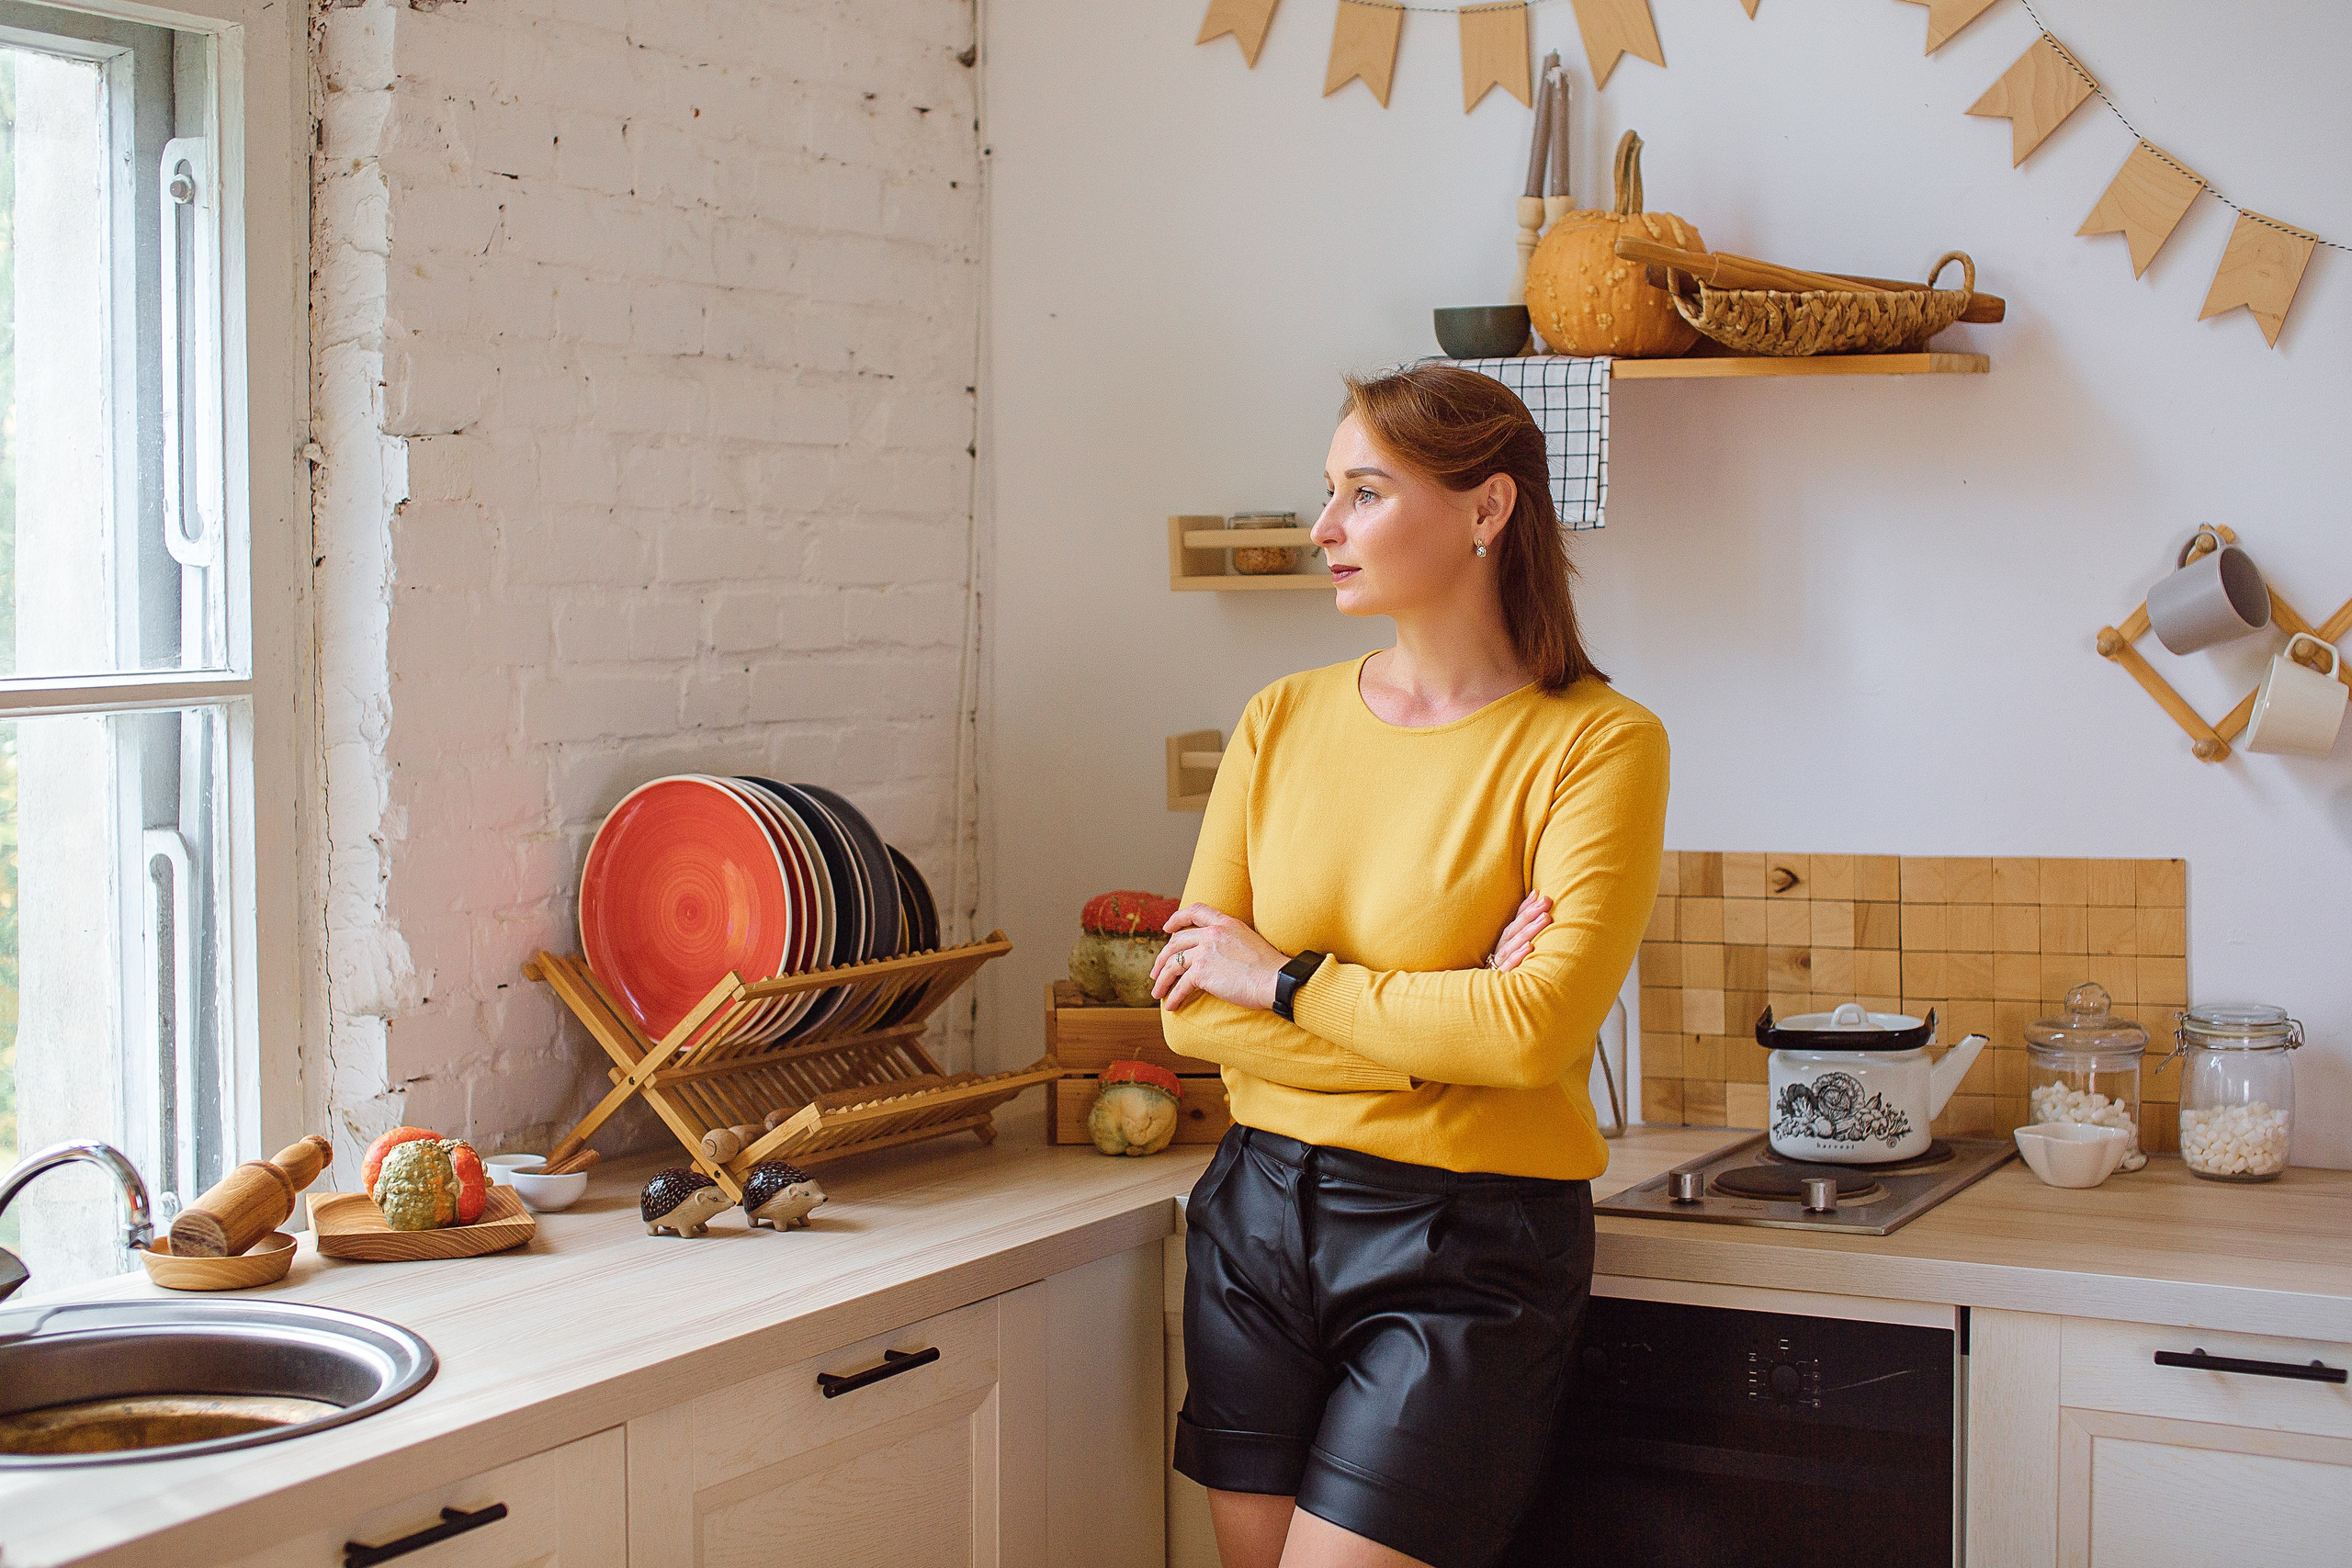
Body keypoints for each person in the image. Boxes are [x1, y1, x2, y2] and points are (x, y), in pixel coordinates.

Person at [1152, 364, 1668, 1568]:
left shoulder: (1598, 744)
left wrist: (1283, 980)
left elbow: (1531, 1035)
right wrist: (1440, 1035)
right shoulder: (1278, 718)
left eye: (1366, 493)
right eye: (1329, 491)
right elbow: (1189, 1012)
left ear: (1487, 509)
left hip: (1465, 1246)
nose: (1323, 527)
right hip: (1255, 1217)